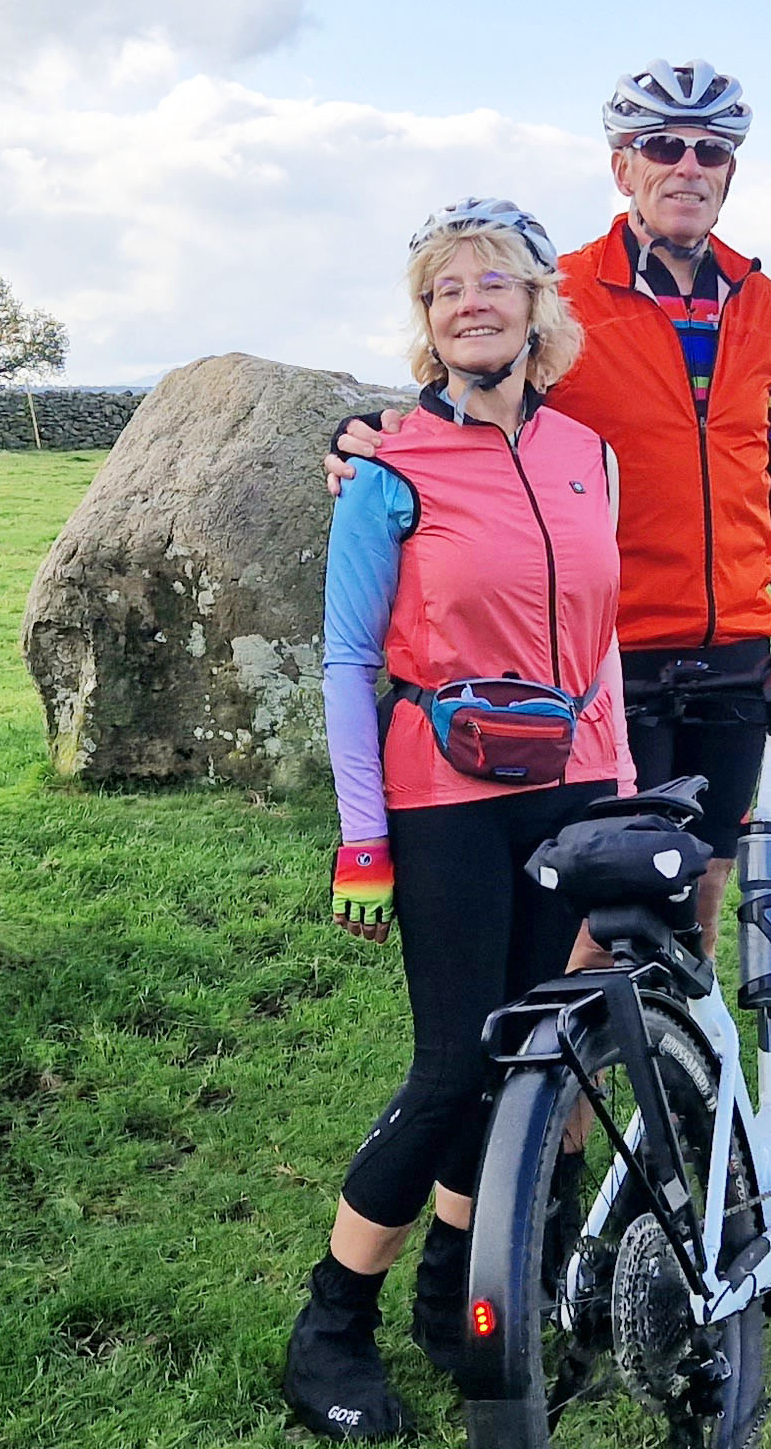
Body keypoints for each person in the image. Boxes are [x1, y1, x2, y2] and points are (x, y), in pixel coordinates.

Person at [283, 199, 628, 1442]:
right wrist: (362, 837)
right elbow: (344, 662)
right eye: (444, 292)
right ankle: (330, 1323)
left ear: (540, 306)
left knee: (531, 1057)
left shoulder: (590, 454)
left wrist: (620, 787)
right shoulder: (386, 465)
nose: (471, 301)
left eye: (494, 282)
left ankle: (451, 1301)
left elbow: (602, 650)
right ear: (427, 327)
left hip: (573, 789)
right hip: (443, 795)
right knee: (451, 1067)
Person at [332, 61, 771, 903]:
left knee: (705, 876)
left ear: (730, 171)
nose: (688, 167)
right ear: (622, 166)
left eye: (711, 152)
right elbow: (483, 396)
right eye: (663, 145)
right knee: (617, 898)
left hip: (734, 640)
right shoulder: (566, 290)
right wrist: (363, 433)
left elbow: (761, 457)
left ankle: (684, 1035)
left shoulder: (758, 295)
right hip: (613, 650)